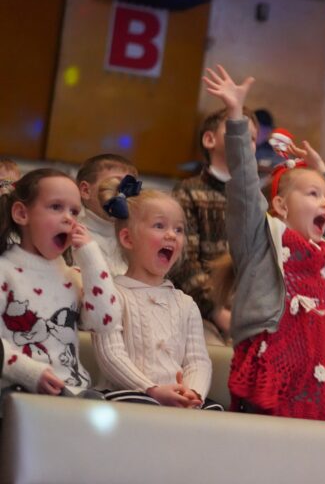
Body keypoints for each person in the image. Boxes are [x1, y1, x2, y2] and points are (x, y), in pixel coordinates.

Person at [203, 65, 325, 422]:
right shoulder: (260, 240)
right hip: (271, 354)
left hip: (316, 362)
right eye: (312, 194)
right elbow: (244, 183)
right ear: (280, 205)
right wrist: (235, 116)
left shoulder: (323, 253)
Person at [92, 176, 221, 410]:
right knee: (138, 402)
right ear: (128, 239)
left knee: (215, 409)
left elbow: (197, 360)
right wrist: (151, 389)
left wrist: (192, 393)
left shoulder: (186, 303)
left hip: (175, 398)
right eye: (160, 226)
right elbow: (111, 354)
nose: (172, 234)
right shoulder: (111, 295)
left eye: (178, 229)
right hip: (129, 393)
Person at [0, 168, 119, 400]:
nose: (68, 218)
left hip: (72, 390)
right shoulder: (5, 270)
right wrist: (30, 373)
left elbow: (105, 321)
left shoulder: (72, 275)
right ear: (22, 214)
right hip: (16, 389)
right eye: (56, 207)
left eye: (74, 212)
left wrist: (90, 255)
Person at [170, 108, 257, 346]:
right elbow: (183, 261)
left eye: (251, 138)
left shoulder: (255, 200)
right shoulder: (188, 191)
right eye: (237, 131)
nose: (246, 142)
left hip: (247, 312)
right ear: (209, 140)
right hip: (199, 309)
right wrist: (217, 312)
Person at [76, 154, 138, 276]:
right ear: (85, 191)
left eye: (130, 188)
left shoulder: (136, 240)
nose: (124, 194)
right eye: (115, 184)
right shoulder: (71, 237)